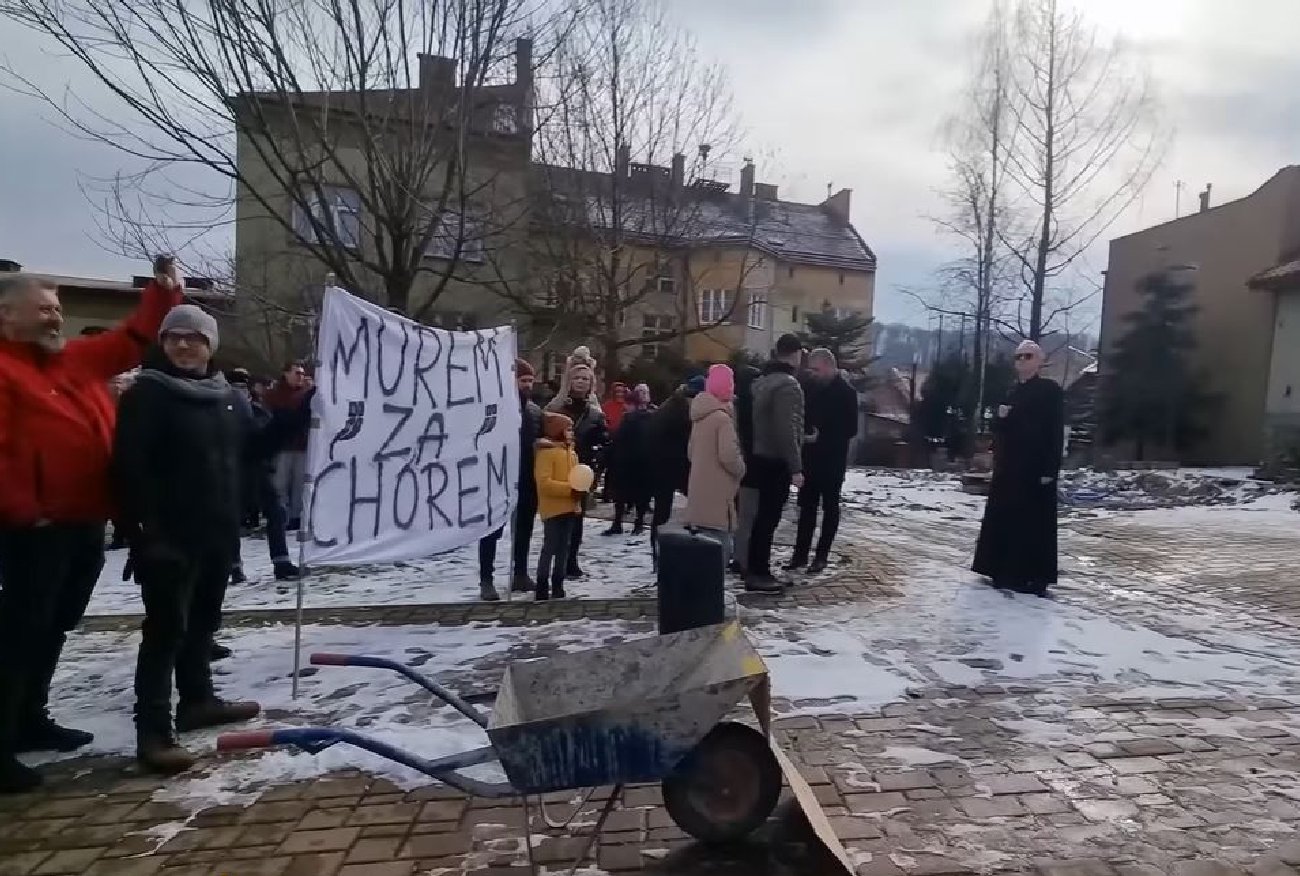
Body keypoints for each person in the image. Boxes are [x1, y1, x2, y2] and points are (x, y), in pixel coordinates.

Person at [0, 263, 181, 794]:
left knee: (55, 625)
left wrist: (162, 294)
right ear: (6, 314)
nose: (55, 317)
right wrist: (23, 509)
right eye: (44, 308)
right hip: (35, 527)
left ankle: (31, 717)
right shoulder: (5, 371)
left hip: (84, 520)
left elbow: (130, 341)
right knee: (19, 633)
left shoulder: (73, 360)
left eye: (57, 308)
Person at [113, 305, 262, 774]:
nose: (183, 344)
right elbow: (129, 470)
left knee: (202, 623)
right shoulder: (147, 395)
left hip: (216, 532)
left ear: (210, 345)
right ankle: (153, 733)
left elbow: (253, 449)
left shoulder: (226, 396)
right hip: (169, 539)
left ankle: (197, 700)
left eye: (194, 337)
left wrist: (303, 416)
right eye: (173, 336)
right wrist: (146, 534)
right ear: (162, 342)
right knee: (165, 632)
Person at [972, 340, 1064, 597]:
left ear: (1039, 361)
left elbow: (1055, 430)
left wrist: (1050, 468)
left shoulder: (1049, 390)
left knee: (1032, 523)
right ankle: (1000, 570)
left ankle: (1032, 576)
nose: (1022, 361)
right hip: (1009, 466)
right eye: (1018, 357)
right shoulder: (1012, 391)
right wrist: (1000, 418)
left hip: (1035, 467)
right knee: (1005, 518)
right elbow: (1000, 430)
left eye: (1028, 356)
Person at [477, 359, 544, 601]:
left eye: (530, 381)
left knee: (524, 528)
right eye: (523, 380)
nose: (527, 385)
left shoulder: (534, 411)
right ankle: (486, 579)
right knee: (491, 531)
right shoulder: (495, 408)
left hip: (527, 477)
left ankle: (520, 573)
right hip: (498, 478)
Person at [789, 349, 859, 575]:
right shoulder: (810, 388)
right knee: (806, 508)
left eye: (817, 369)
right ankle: (800, 555)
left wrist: (824, 435)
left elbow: (851, 428)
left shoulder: (846, 392)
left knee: (830, 508)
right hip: (810, 458)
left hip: (832, 460)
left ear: (829, 366)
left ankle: (821, 556)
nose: (813, 373)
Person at [746, 334, 806, 593]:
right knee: (768, 519)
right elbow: (785, 428)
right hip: (776, 460)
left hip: (759, 455)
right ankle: (759, 573)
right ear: (796, 354)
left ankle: (755, 568)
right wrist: (796, 467)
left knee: (761, 517)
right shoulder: (788, 385)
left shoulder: (762, 382)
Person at [546, 358, 608, 578]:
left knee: (577, 517)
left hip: (582, 470)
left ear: (591, 384)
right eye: (577, 378)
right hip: (558, 469)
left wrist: (596, 467)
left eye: (585, 379)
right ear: (569, 381)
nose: (581, 382)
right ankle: (554, 560)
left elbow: (604, 443)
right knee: (556, 519)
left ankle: (571, 560)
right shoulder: (555, 409)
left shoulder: (595, 414)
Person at [686, 365, 746, 572]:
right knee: (720, 547)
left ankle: (701, 587)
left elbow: (690, 452)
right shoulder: (722, 419)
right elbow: (728, 455)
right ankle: (711, 589)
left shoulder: (700, 416)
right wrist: (741, 468)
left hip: (699, 492)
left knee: (703, 546)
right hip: (719, 493)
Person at [646, 375, 704, 561]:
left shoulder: (672, 404)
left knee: (663, 510)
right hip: (670, 465)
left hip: (664, 465)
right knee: (666, 510)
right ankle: (663, 552)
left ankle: (659, 551)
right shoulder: (679, 411)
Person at [533, 412, 583, 601]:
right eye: (568, 429)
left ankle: (558, 584)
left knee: (564, 548)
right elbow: (544, 483)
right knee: (550, 546)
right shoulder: (546, 453)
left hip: (570, 507)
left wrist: (582, 488)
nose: (571, 433)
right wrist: (570, 489)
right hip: (553, 508)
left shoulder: (572, 453)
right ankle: (542, 585)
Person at [263, 361, 311, 529]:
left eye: (302, 374)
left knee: (299, 484)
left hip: (301, 445)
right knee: (280, 483)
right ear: (286, 374)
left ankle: (296, 516)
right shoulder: (275, 394)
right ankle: (280, 515)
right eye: (297, 373)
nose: (300, 377)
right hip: (281, 445)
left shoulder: (306, 394)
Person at [603, 383, 654, 536]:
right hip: (641, 462)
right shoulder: (650, 417)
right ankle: (637, 523)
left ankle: (620, 523)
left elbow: (618, 439)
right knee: (639, 495)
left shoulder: (630, 419)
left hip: (627, 462)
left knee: (622, 495)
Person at [730, 363, 761, 577]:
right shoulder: (750, 408)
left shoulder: (734, 406)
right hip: (750, 468)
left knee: (742, 516)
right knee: (748, 516)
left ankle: (740, 557)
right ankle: (743, 560)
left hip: (740, 469)